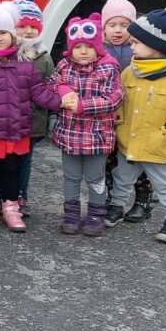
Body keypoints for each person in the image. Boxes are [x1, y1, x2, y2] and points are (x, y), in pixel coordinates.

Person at [0, 0, 67, 233]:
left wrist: (60, 103)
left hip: (17, 130)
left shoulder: (25, 62)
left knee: (12, 171)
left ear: (12, 34)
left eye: (3, 32)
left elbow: (38, 92)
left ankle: (11, 206)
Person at [106, 2, 166, 244]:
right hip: (129, 142)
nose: (131, 44)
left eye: (136, 42)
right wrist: (116, 121)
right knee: (121, 178)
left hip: (159, 145)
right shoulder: (131, 71)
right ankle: (115, 208)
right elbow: (120, 101)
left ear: (156, 46)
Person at [47, 13, 124, 236]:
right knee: (70, 176)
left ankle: (95, 215)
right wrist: (63, 91)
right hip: (69, 134)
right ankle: (70, 214)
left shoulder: (109, 68)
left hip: (96, 136)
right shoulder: (63, 65)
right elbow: (52, 82)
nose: (82, 51)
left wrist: (82, 106)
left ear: (98, 46)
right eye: (77, 46)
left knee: (95, 177)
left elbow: (114, 99)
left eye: (88, 47)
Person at [101, 0, 156, 221]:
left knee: (140, 160)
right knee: (110, 160)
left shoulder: (140, 51)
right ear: (103, 28)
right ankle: (113, 200)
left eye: (124, 25)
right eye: (112, 25)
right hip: (108, 117)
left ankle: (143, 201)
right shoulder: (99, 50)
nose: (118, 30)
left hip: (137, 116)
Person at [12, 0, 54, 217]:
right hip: (7, 119)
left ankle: (20, 195)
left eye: (33, 28)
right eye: (22, 26)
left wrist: (51, 117)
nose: (28, 31)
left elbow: (51, 87)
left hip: (32, 121)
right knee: (4, 160)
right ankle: (1, 195)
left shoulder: (44, 57)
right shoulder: (5, 53)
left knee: (24, 161)